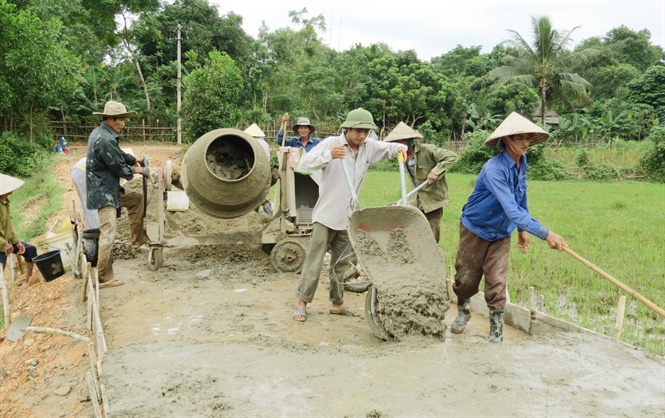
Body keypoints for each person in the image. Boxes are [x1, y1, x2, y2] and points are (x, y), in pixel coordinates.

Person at [451, 112, 568, 343]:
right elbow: (511, 209)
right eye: (519, 137)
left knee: (497, 281)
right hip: (476, 228)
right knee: (466, 279)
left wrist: (522, 230)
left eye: (527, 137)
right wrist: (546, 234)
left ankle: (496, 333)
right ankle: (463, 311)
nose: (525, 142)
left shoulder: (522, 163)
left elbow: (520, 198)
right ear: (506, 140)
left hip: (501, 233)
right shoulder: (494, 170)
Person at [292, 108, 408, 322]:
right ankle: (302, 302)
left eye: (366, 131)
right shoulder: (331, 143)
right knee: (314, 261)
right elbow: (304, 164)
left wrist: (400, 147)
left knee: (341, 263)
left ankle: (337, 303)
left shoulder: (368, 147)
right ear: (347, 129)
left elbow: (389, 148)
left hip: (348, 217)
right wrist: (329, 156)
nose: (362, 136)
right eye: (357, 131)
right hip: (326, 215)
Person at [86, 101, 150, 288]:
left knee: (136, 199)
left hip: (109, 188)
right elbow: (118, 167)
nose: (124, 124)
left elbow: (118, 155)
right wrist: (139, 171)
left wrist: (135, 160)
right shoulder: (105, 139)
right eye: (121, 120)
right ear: (110, 119)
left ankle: (137, 240)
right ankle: (102, 278)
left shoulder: (103, 134)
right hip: (103, 192)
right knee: (108, 233)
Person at [383, 122, 458, 243]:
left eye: (400, 142)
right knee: (413, 231)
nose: (397, 145)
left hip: (432, 198)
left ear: (409, 140)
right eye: (395, 143)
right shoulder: (402, 156)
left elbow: (452, 156)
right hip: (416, 198)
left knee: (432, 233)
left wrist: (435, 171)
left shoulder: (427, 150)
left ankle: (431, 258)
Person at [72, 156, 150, 249]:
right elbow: (124, 171)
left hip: (78, 170)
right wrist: (141, 170)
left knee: (89, 207)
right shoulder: (118, 163)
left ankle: (95, 243)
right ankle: (97, 244)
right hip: (86, 173)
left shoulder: (118, 156)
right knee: (92, 208)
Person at [0, 173, 41, 286]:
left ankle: (28, 281)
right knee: (0, 273)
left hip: (6, 242)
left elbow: (8, 226)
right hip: (1, 245)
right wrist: (3, 244)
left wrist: (16, 241)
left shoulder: (4, 202)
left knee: (30, 250)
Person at [244, 123, 278, 217]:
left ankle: (256, 213)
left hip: (256, 173)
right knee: (259, 195)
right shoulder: (264, 143)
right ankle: (265, 212)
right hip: (265, 172)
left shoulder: (253, 143)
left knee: (253, 197)